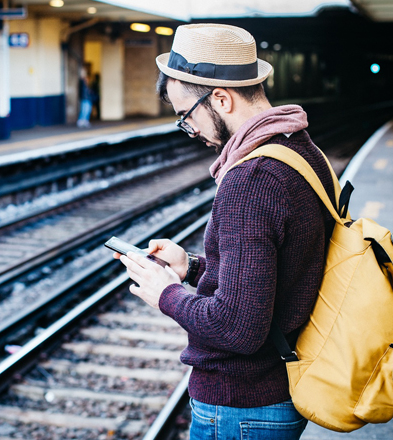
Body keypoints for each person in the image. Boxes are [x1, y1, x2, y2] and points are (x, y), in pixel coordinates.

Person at [114, 24, 337, 439]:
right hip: (275, 392)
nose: (191, 129)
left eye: (187, 115)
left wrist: (165, 293)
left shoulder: (250, 180)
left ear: (220, 98)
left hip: (241, 406)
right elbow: (275, 273)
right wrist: (193, 267)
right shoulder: (301, 149)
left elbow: (237, 326)